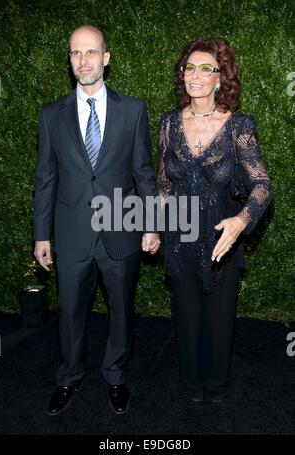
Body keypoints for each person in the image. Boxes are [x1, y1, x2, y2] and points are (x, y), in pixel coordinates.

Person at [34, 24, 159, 416]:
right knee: (69, 312)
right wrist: (41, 235)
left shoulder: (133, 110)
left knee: (121, 311)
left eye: (91, 52)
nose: (83, 60)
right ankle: (69, 377)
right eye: (75, 53)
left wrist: (152, 223)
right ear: (69, 60)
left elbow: (144, 173)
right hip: (70, 235)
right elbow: (45, 179)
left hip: (122, 231)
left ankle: (116, 376)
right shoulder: (51, 114)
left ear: (106, 57)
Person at [158, 38, 271, 403]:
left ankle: (216, 385)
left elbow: (261, 185)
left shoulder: (238, 127)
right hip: (179, 237)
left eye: (206, 68)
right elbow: (162, 183)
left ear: (220, 78)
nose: (196, 75)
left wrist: (241, 221)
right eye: (190, 67)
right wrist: (153, 227)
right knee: (187, 319)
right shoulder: (168, 124)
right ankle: (191, 384)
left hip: (223, 238)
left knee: (219, 323)